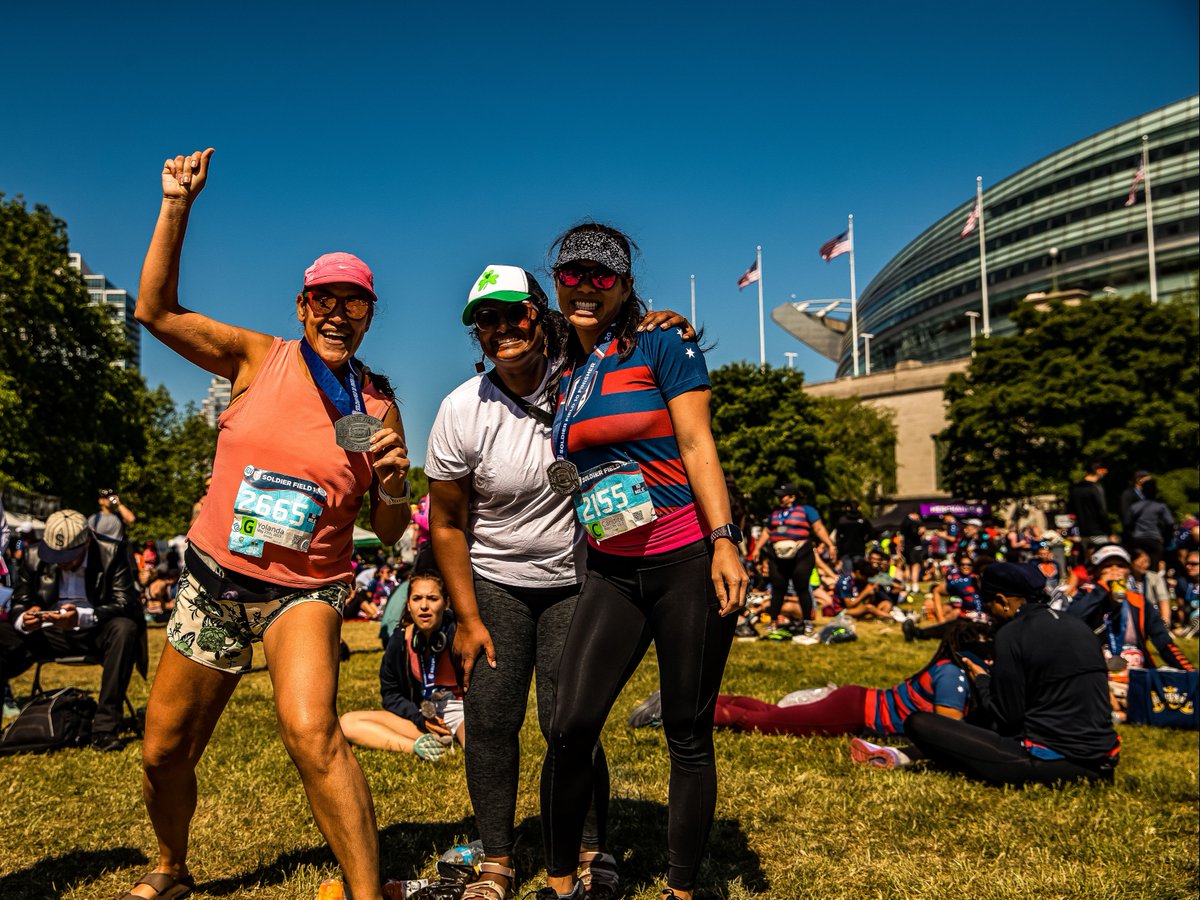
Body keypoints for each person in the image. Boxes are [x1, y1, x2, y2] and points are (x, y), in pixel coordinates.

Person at [123, 148, 411, 900]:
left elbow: (387, 522)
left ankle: (366, 894)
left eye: (354, 302)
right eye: (324, 298)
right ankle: (172, 868)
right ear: (301, 305)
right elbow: (155, 311)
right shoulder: (259, 359)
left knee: (313, 733)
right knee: (162, 752)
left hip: (304, 591)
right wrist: (176, 204)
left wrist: (395, 483)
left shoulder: (377, 404)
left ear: (370, 314)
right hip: (215, 580)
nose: (337, 312)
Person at [428, 264, 690, 900]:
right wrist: (467, 617)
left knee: (568, 722)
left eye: (514, 314)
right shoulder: (463, 409)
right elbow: (447, 522)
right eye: (485, 321)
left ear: (538, 316)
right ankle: (496, 859)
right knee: (491, 720)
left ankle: (593, 849)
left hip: (578, 576)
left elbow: (636, 352)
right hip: (496, 580)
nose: (501, 329)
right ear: (478, 336)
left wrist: (663, 323)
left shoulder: (582, 378)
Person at [539, 223, 747, 900]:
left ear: (625, 285)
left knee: (687, 730)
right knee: (569, 725)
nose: (586, 287)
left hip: (684, 555)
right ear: (557, 280)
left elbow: (697, 442)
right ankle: (561, 882)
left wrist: (723, 537)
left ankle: (683, 890)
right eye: (572, 274)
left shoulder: (663, 342)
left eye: (603, 276)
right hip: (610, 567)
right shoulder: (563, 367)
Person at [901, 563, 1121, 786]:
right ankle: (911, 753)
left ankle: (908, 753)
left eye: (989, 608)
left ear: (1002, 601)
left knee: (919, 723)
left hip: (1054, 762)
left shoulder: (1012, 633)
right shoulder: (1078, 625)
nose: (989, 617)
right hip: (1104, 759)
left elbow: (1007, 718)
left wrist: (982, 680)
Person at [686, 619, 989, 739]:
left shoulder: (945, 666)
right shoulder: (953, 676)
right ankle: (684, 712)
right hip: (853, 713)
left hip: (856, 700)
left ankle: (701, 700)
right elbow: (950, 733)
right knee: (760, 724)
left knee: (771, 713)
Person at [0, 509, 143, 751]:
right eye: (54, 555)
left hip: (95, 631)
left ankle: (104, 728)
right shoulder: (34, 554)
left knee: (124, 628)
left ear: (87, 541)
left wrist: (81, 617)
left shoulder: (113, 552)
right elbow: (20, 601)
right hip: (47, 633)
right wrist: (25, 618)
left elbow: (126, 602)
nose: (61, 562)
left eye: (68, 556)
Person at [340, 574, 462, 760]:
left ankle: (450, 738)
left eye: (432, 598)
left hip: (462, 712)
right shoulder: (400, 640)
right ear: (408, 605)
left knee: (481, 748)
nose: (424, 606)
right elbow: (391, 695)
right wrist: (420, 718)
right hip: (424, 715)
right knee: (347, 723)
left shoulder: (460, 635)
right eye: (417, 598)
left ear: (446, 603)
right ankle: (420, 747)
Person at [1063, 544, 1193, 673]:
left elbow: (1163, 642)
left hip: (1135, 673)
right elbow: (1070, 621)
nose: (1115, 570)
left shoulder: (1138, 601)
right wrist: (1101, 588)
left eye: (1121, 565)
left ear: (1128, 571)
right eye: (1107, 566)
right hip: (1095, 674)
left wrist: (1190, 672)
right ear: (1097, 571)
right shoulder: (1087, 595)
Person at [752, 484, 835, 636]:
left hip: (801, 554)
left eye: (782, 495)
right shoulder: (775, 513)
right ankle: (773, 621)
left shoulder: (806, 510)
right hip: (777, 555)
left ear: (792, 497)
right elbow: (766, 531)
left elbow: (818, 528)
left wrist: (830, 545)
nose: (779, 498)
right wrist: (757, 549)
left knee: (802, 587)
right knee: (778, 589)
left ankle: (807, 622)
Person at [1123, 477, 1175, 569]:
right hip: (1154, 540)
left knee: (1136, 567)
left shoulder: (1135, 507)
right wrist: (1166, 539)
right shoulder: (1160, 506)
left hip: (1137, 540)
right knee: (1153, 568)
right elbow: (1170, 523)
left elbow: (1127, 524)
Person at [1068, 460, 1114, 549]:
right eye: (1104, 470)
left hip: (1083, 532)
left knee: (1089, 559)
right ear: (1098, 470)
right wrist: (1109, 532)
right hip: (1099, 532)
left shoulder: (1075, 488)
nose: (1106, 472)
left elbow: (1071, 510)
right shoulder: (1096, 488)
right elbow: (1102, 510)